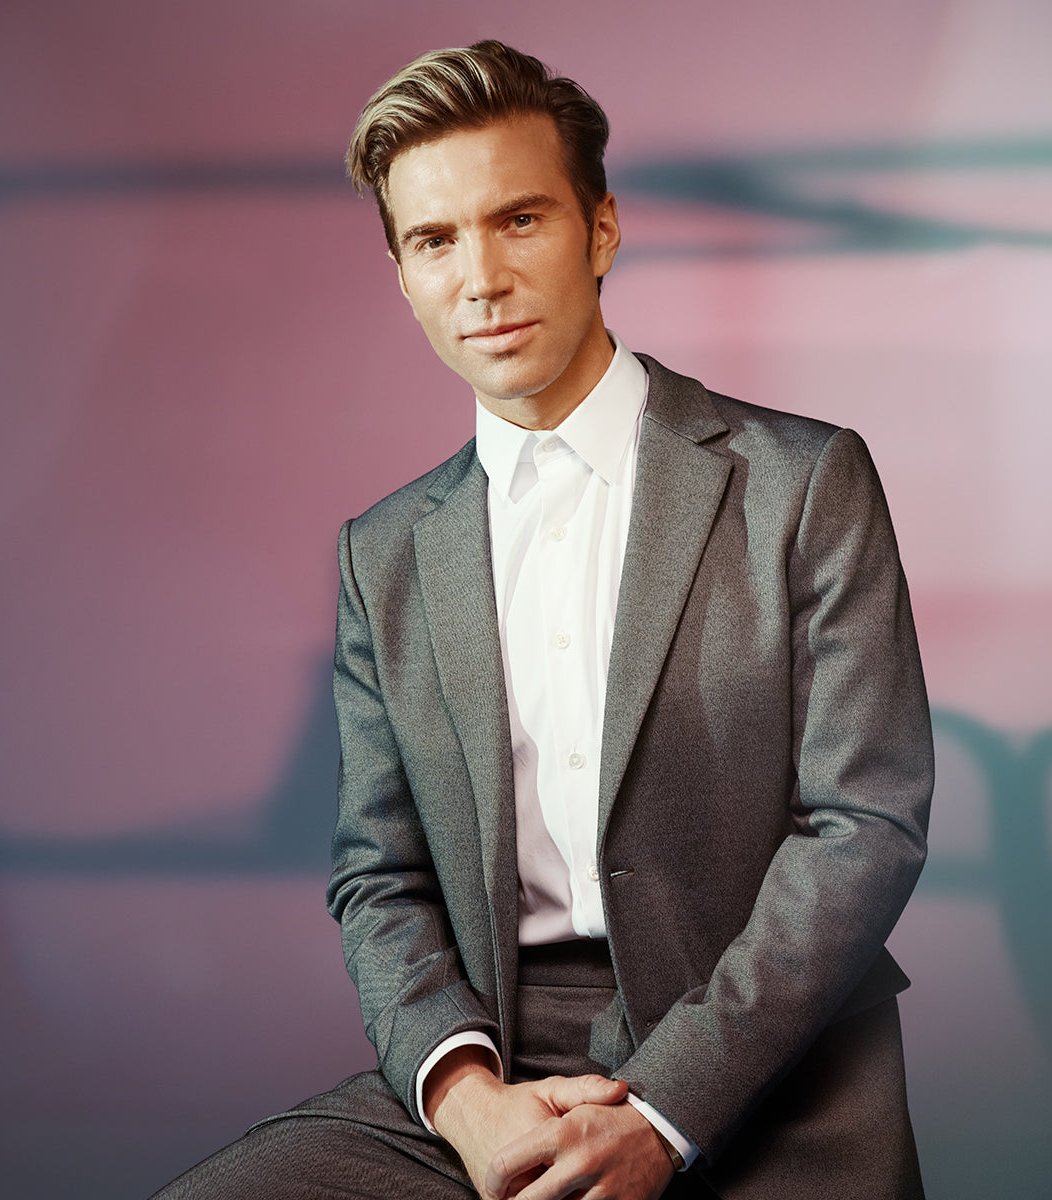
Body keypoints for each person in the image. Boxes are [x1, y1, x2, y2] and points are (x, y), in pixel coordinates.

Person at [154, 40, 932, 1200]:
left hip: (771, 1063)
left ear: (601, 230)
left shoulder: (802, 481)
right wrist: (467, 1100)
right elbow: (381, 876)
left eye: (518, 220)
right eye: (435, 239)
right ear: (403, 275)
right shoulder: (386, 556)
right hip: (501, 1052)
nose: (480, 277)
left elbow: (864, 826)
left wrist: (666, 1110)